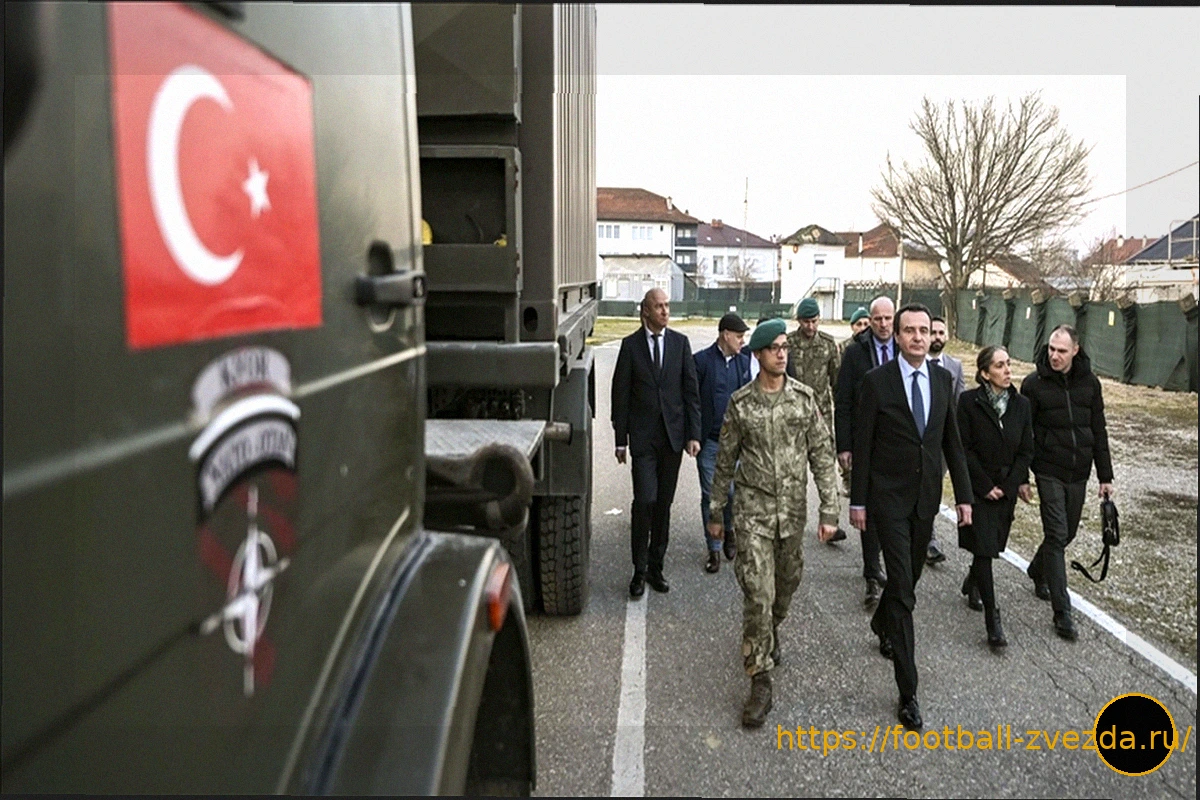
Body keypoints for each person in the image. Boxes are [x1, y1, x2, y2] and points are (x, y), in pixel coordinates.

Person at [708, 318, 840, 728]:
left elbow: (822, 455)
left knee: (786, 586)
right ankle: (760, 679)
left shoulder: (803, 399)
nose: (782, 354)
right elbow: (724, 461)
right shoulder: (741, 404)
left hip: (792, 515)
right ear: (759, 354)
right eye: (774, 348)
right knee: (758, 594)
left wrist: (830, 510)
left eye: (785, 347)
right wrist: (716, 513)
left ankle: (770, 629)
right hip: (753, 514)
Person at [849, 303, 973, 731]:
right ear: (898, 336)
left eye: (925, 330)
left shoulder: (942, 380)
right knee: (903, 589)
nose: (919, 337)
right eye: (910, 330)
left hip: (925, 502)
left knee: (909, 579)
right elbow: (863, 444)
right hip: (887, 501)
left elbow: (951, 442)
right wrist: (858, 502)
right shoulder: (876, 382)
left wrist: (964, 497)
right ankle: (908, 691)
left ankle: (881, 620)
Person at [1019, 324, 1114, 641]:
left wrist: (1105, 476)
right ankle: (1063, 612)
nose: (1054, 356)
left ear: (1075, 350)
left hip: (1079, 471)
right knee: (1057, 534)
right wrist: (1022, 477)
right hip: (1048, 469)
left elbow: (1099, 429)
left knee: (1066, 533)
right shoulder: (1033, 384)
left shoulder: (1091, 383)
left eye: (1061, 350)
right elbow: (1023, 434)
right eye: (1051, 349)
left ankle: (1037, 569)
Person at [612, 288, 702, 598]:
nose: (665, 311)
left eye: (667, 305)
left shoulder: (680, 344)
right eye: (659, 306)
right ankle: (638, 570)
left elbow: (691, 393)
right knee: (645, 500)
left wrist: (693, 434)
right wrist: (620, 440)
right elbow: (620, 395)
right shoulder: (631, 346)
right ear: (646, 311)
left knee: (663, 504)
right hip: (643, 441)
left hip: (672, 439)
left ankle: (656, 567)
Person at [956, 346, 1033, 649]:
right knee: (985, 548)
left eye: (1008, 364)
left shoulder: (1021, 405)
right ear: (985, 373)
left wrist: (1010, 485)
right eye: (999, 366)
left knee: (992, 546)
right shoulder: (968, 402)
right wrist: (985, 485)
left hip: (1006, 488)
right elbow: (964, 448)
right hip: (979, 488)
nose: (1007, 370)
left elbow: (1026, 450)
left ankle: (972, 580)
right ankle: (992, 618)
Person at [835, 295, 897, 607]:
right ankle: (872, 572)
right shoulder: (855, 352)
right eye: (877, 319)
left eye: (888, 318)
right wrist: (844, 445)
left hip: (897, 443)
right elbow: (843, 400)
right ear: (869, 321)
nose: (883, 325)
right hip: (865, 440)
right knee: (868, 508)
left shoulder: (905, 348)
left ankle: (886, 563)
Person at [694, 312, 752, 572]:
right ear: (725, 335)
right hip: (709, 442)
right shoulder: (701, 361)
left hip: (735, 444)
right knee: (711, 495)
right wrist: (693, 436)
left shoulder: (744, 363)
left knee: (731, 493)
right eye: (739, 336)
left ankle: (729, 530)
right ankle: (714, 549)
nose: (742, 341)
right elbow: (693, 401)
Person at [786, 298, 847, 544]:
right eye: (805, 322)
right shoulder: (788, 344)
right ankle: (790, 522)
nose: (810, 326)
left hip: (821, 418)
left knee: (826, 472)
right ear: (798, 321)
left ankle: (833, 522)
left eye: (813, 321)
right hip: (793, 418)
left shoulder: (828, 345)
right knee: (793, 473)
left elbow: (837, 384)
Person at [922, 315, 967, 565]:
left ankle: (929, 538)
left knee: (932, 487)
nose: (937, 337)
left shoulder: (955, 366)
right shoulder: (914, 363)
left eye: (941, 333)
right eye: (933, 332)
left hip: (941, 444)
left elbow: (960, 404)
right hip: (917, 439)